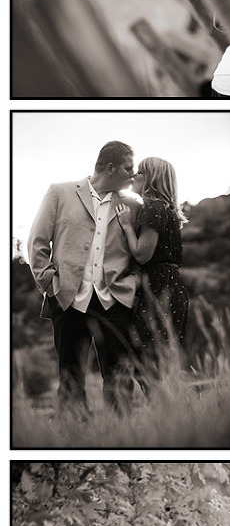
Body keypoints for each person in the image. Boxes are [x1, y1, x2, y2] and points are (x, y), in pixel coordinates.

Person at [27, 140, 139, 411]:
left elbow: (140, 253)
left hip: (114, 301)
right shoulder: (60, 193)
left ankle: (121, 431)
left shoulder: (132, 206)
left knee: (119, 376)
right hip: (68, 299)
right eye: (128, 168)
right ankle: (73, 431)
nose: (133, 174)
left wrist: (132, 284)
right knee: (70, 375)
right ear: (110, 168)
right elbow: (37, 242)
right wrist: (50, 285)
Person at [118, 157, 188, 379]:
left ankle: (163, 399)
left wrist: (127, 227)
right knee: (161, 358)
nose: (134, 175)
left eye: (140, 172)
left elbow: (142, 254)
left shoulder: (154, 208)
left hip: (159, 286)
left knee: (148, 359)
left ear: (151, 178)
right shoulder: (166, 209)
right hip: (171, 283)